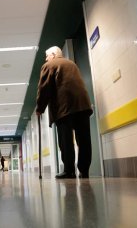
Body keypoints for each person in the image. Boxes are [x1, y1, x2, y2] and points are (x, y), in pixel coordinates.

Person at [36, 46, 93, 179]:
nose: (46, 58)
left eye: (47, 55)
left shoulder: (49, 65)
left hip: (64, 107)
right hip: (83, 105)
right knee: (84, 140)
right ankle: (84, 171)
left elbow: (44, 88)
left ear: (54, 54)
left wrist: (39, 108)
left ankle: (69, 170)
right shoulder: (72, 64)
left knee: (65, 140)